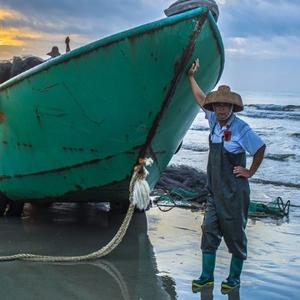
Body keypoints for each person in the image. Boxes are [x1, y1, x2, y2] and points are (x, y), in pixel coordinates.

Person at [188, 59, 266, 294]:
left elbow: (260, 148)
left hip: (234, 194)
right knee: (209, 232)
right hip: (214, 192)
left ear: (232, 108)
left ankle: (233, 278)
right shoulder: (213, 121)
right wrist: (190, 76)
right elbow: (201, 99)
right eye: (218, 105)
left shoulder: (242, 129)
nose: (221, 109)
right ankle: (206, 277)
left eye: (225, 106)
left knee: (235, 237)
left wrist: (249, 171)